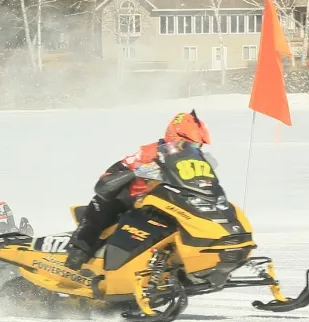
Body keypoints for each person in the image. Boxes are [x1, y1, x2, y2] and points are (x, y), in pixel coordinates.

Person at [63, 111, 212, 271]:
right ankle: (79, 249)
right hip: (138, 199)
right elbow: (115, 171)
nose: (195, 150)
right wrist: (138, 171)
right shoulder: (151, 152)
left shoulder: (193, 162)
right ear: (175, 137)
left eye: (198, 146)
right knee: (104, 202)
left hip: (172, 203)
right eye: (192, 145)